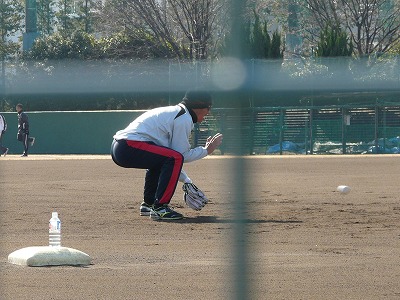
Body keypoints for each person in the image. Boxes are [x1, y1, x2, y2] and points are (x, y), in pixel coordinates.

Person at [111, 90, 223, 221]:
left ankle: (149, 204)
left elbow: (171, 159)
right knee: (172, 158)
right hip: (129, 145)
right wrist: (206, 150)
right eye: (209, 108)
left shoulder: (177, 112)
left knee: (162, 160)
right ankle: (160, 208)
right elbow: (180, 156)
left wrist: (186, 180)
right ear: (199, 106)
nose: (209, 112)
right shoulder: (184, 117)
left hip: (121, 146)